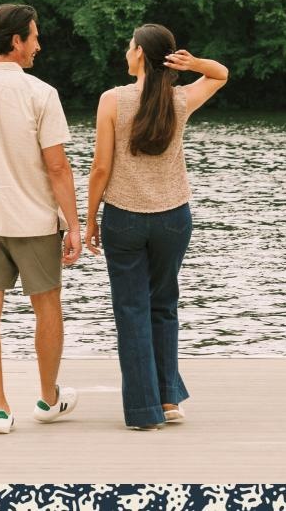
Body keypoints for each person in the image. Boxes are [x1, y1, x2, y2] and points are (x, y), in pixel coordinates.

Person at [0, 3, 84, 434]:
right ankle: (47, 398)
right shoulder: (41, 93)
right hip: (35, 219)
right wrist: (75, 225)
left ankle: (0, 410)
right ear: (16, 41)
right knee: (47, 307)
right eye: (34, 37)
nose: (38, 45)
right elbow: (58, 166)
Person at [83, 23, 228, 430]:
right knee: (163, 305)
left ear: (141, 55)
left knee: (132, 311)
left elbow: (100, 168)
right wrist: (193, 62)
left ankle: (144, 411)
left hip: (124, 218)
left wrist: (90, 217)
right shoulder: (180, 99)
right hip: (173, 219)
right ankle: (168, 401)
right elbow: (221, 74)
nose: (126, 53)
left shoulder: (112, 100)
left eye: (130, 47)